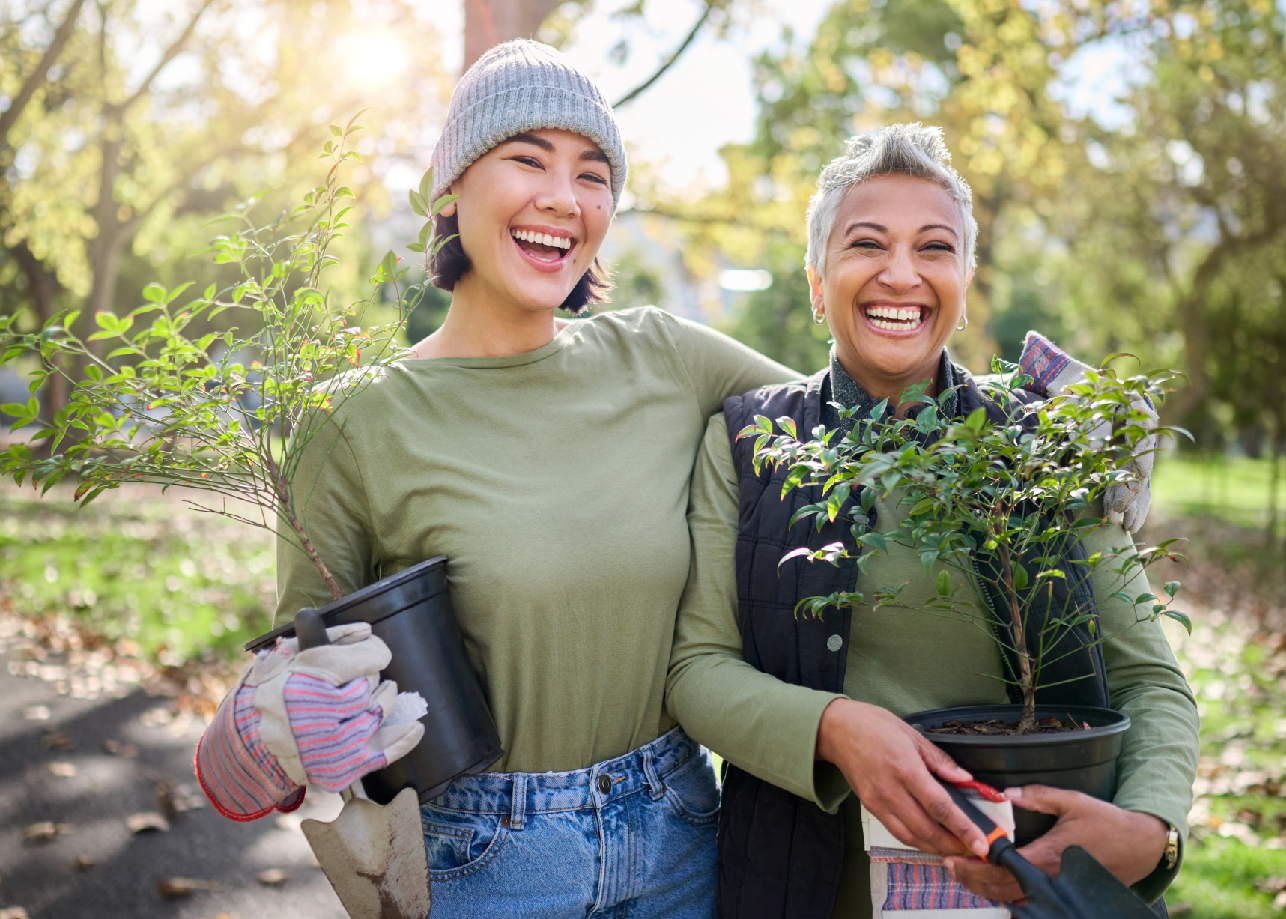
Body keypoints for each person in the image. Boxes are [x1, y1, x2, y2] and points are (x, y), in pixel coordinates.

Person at [193, 41, 1143, 919]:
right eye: (528, 159)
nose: (563, 197)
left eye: (593, 175)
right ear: (451, 186)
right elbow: (304, 671)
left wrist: (1066, 437)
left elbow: (869, 414)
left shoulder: (665, 356)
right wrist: (258, 739)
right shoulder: (353, 420)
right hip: (483, 858)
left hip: (685, 838)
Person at [664, 123, 1200, 919]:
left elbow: (1147, 676)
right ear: (818, 282)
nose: (901, 274)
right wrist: (835, 727)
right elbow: (696, 668)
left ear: (967, 277)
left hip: (1040, 886)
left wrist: (1153, 826)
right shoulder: (747, 444)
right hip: (804, 886)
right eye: (866, 244)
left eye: (935, 247)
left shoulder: (1049, 444)